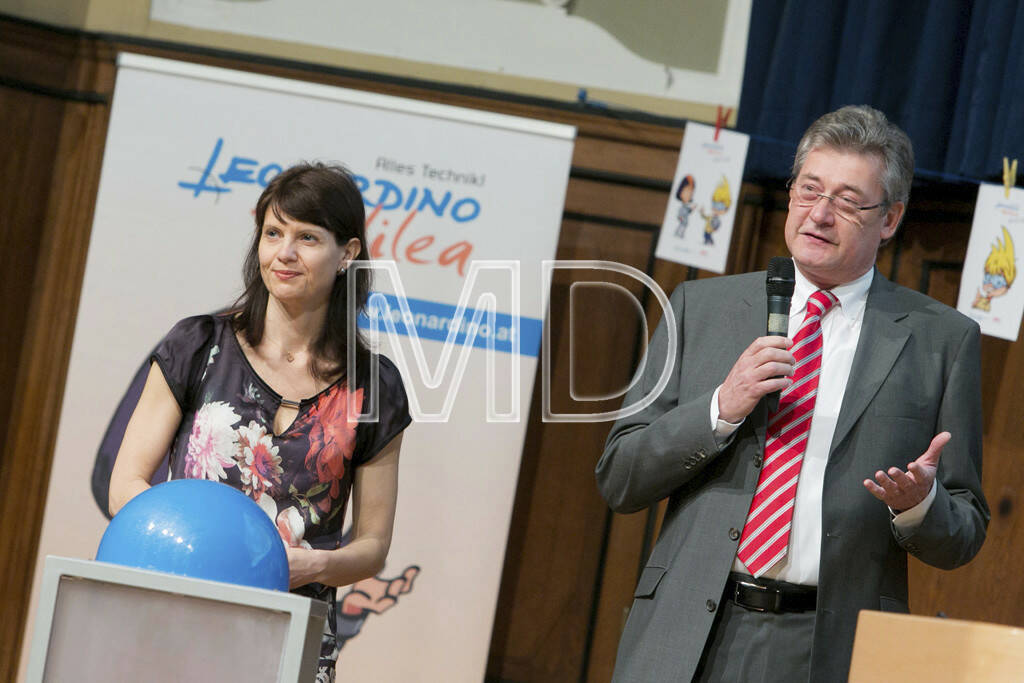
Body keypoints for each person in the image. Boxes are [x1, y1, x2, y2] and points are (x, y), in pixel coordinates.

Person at [596, 105, 988, 682]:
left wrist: (919, 505)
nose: (820, 215)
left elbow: (965, 532)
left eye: (848, 201)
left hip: (828, 647)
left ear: (889, 219)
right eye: (809, 191)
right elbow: (618, 476)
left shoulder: (941, 340)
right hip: (687, 635)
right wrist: (719, 410)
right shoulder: (700, 309)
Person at [109, 162, 411, 682]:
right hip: (174, 612)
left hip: (288, 633)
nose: (284, 254)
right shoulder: (199, 344)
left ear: (348, 255)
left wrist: (309, 566)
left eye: (307, 238)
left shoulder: (375, 386)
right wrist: (196, 546)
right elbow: (125, 485)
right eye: (273, 233)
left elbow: (372, 546)